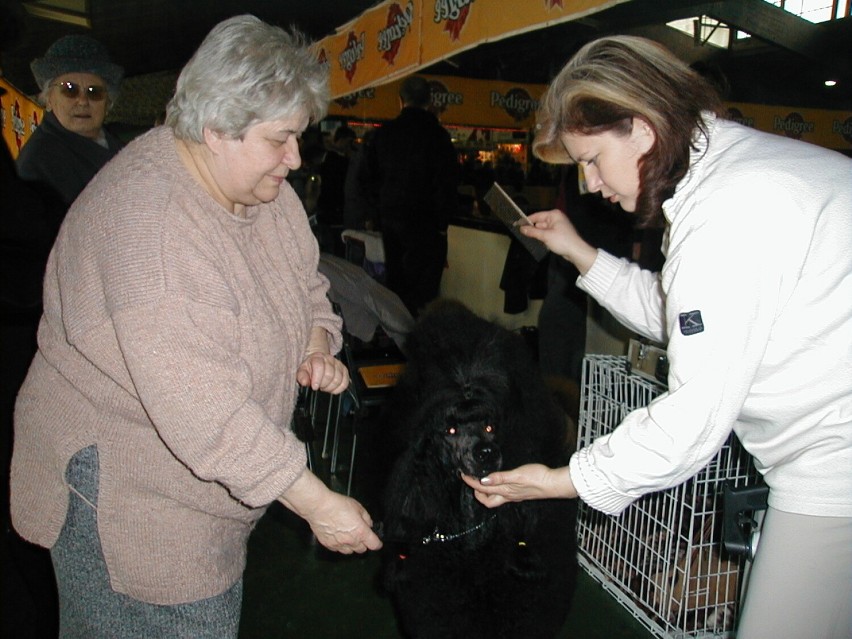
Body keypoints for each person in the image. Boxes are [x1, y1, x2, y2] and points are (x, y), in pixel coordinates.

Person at [463, 35, 852, 639]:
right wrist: (580, 253)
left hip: (837, 458)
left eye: (591, 158)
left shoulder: (728, 210)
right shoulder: (734, 165)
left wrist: (563, 479)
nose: (589, 185)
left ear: (641, 129)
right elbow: (687, 315)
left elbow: (693, 416)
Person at [10, 15, 382, 638]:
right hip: (132, 499)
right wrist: (318, 502)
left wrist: (316, 337)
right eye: (280, 139)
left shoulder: (261, 188)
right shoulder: (151, 230)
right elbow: (203, 411)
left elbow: (304, 282)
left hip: (198, 481)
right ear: (215, 130)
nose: (295, 158)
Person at [361, 75, 459, 316]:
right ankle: (419, 344)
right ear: (429, 100)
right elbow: (447, 182)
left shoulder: (384, 134)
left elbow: (368, 179)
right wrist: (442, 223)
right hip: (426, 225)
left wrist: (379, 212)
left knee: (397, 288)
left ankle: (398, 339)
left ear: (400, 100)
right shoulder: (438, 136)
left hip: (392, 220)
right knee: (424, 294)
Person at [16, 34, 124, 207]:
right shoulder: (37, 163)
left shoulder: (118, 147)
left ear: (107, 102)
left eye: (94, 92)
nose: (82, 101)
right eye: (70, 90)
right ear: (48, 99)